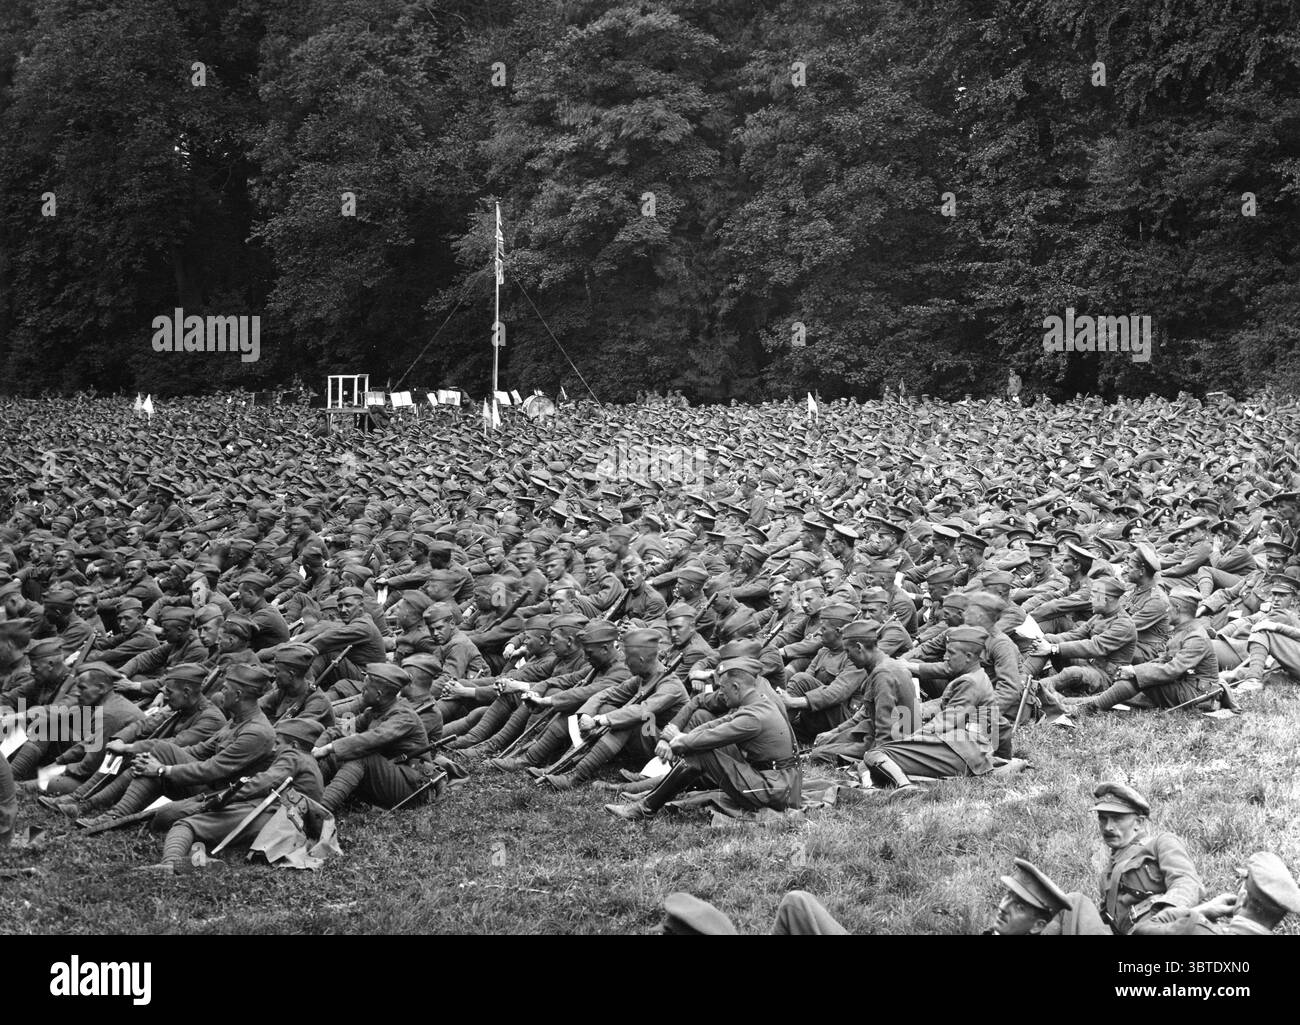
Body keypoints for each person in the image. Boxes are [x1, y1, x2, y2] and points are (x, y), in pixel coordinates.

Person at [604, 652, 800, 820]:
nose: (721, 695)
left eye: (723, 689)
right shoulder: (756, 702)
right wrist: (679, 740)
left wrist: (678, 744)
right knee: (699, 746)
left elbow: (711, 737)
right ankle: (651, 796)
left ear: (736, 688)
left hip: (775, 790)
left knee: (701, 752)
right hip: (778, 782)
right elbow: (717, 725)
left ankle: (646, 808)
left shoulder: (753, 716)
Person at [141, 716, 327, 874]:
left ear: (294, 744)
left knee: (185, 824)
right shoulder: (310, 762)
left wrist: (224, 798)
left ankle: (169, 864)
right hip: (288, 825)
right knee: (204, 830)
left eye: (278, 743)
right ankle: (201, 860)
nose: (273, 748)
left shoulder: (293, 756)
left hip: (274, 817)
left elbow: (262, 783)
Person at [860, 624, 997, 794]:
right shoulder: (975, 677)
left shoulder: (969, 682)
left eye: (951, 653)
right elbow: (941, 707)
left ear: (969, 657)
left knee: (875, 754)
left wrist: (911, 739)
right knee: (875, 758)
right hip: (964, 748)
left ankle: (905, 786)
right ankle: (875, 786)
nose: (945, 657)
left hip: (965, 751)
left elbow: (944, 721)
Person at [314, 663, 435, 813]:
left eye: (364, 690)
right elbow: (342, 730)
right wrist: (317, 747)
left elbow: (372, 739)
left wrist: (328, 747)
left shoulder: (404, 716)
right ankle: (303, 793)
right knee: (333, 756)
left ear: (378, 695)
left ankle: (319, 812)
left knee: (361, 755)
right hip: (391, 774)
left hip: (413, 786)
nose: (361, 693)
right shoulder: (375, 711)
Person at [1090, 781, 1204, 935]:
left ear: (1139, 822)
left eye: (1116, 818)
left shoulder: (1161, 843)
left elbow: (1187, 883)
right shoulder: (1107, 874)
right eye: (1103, 818)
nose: (1108, 827)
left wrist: (1163, 919)